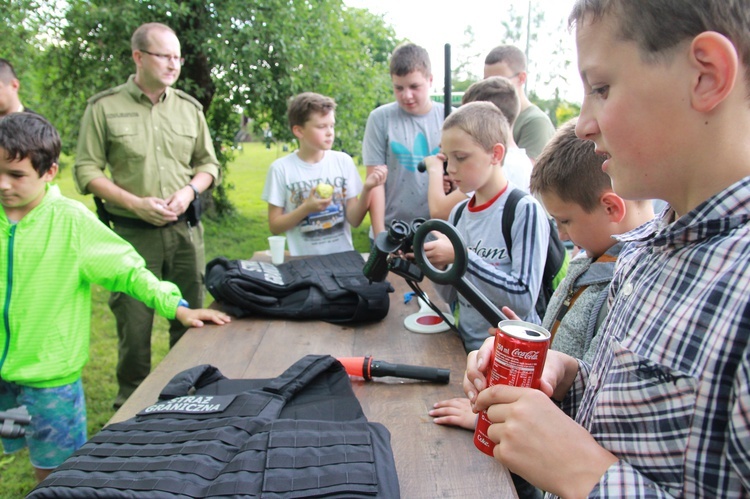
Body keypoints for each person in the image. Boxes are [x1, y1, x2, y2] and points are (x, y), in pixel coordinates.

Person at [464, 1, 750, 496]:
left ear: (706, 75)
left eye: (600, 88)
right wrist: (564, 376)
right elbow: (645, 425)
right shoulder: (644, 249)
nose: (581, 124)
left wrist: (587, 476)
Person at [0, 112, 230, 482]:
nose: (3, 185)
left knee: (54, 467)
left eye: (16, 175)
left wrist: (176, 306)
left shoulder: (71, 222)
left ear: (49, 172)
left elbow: (129, 269)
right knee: (13, 436)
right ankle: (18, 449)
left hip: (50, 379)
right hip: (3, 378)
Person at [430, 118, 654, 428]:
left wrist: (491, 416)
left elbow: (593, 396)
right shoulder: (586, 261)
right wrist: (527, 343)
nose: (561, 235)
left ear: (611, 209)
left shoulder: (632, 287)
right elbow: (564, 357)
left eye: (564, 221)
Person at [74, 22, 221, 409]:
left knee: (190, 318)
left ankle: (188, 398)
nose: (174, 64)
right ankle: (131, 406)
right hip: (129, 235)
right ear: (139, 57)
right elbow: (86, 171)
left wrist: (191, 190)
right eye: (164, 56)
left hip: (185, 234)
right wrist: (133, 201)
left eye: (178, 57)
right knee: (134, 326)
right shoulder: (104, 107)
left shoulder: (189, 108)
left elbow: (209, 165)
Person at [422, 101, 549, 353]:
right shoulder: (459, 212)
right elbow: (451, 296)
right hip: (466, 348)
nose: (450, 169)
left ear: (496, 154)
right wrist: (433, 264)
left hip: (512, 355)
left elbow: (523, 299)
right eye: (447, 159)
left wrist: (463, 257)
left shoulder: (523, 209)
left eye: (461, 157)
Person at [262, 92, 386, 256]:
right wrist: (307, 208)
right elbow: (275, 226)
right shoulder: (281, 169)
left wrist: (368, 188)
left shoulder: (343, 162)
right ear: (299, 131)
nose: (329, 132)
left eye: (332, 125)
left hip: (342, 259)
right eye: (321, 126)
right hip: (303, 261)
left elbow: (354, 220)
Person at [362, 42, 450, 237]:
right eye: (398, 88)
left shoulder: (451, 117)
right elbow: (375, 182)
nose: (406, 95)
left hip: (439, 233)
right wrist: (380, 237)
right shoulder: (379, 119)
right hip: (392, 231)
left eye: (414, 86)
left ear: (430, 80)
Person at [426, 76, 534, 220]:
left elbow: (440, 211)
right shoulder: (521, 160)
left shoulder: (501, 165)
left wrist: (434, 169)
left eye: (461, 157)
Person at [484, 45, 555, 162]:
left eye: (499, 81)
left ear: (522, 78)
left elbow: (528, 176)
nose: (489, 88)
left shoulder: (535, 122)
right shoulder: (493, 118)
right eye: (486, 81)